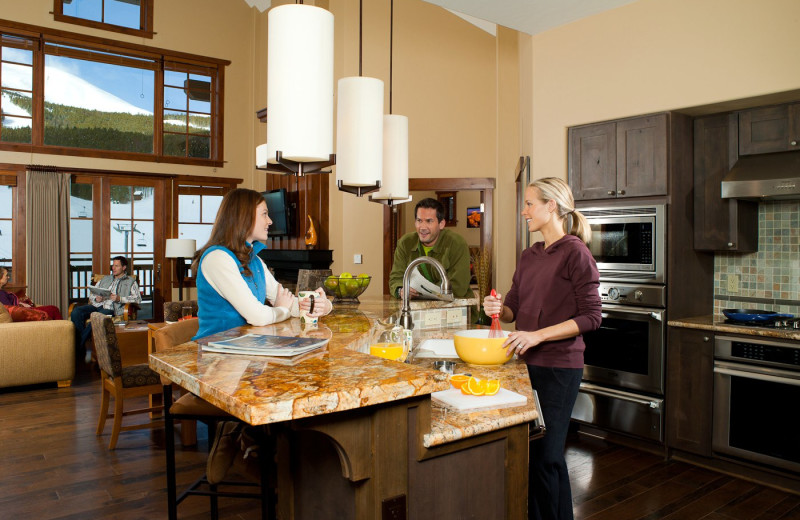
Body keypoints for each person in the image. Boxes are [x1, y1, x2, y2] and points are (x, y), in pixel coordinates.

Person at [483, 177, 601, 520]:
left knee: (548, 456)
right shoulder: (529, 255)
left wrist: (537, 335)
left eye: (530, 203)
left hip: (560, 368)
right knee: (532, 455)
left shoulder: (576, 253)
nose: (524, 211)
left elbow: (592, 317)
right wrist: (498, 309)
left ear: (552, 206)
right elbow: (513, 309)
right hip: (524, 364)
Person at [192, 188, 332, 341]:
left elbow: (289, 303)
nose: (270, 221)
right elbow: (257, 316)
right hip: (217, 355)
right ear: (244, 216)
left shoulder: (256, 261)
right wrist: (282, 309)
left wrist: (322, 306)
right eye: (264, 214)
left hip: (247, 348)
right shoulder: (217, 258)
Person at [388, 198, 472, 300]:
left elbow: (459, 286)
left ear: (441, 224)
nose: (423, 227)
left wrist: (422, 293)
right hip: (417, 309)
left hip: (454, 309)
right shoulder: (405, 243)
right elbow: (396, 278)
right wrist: (401, 290)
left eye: (429, 221)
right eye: (419, 221)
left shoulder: (457, 243)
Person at [70, 256, 142, 360]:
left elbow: (138, 299)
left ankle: (77, 349)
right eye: (113, 265)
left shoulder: (130, 281)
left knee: (95, 318)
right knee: (76, 312)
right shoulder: (105, 279)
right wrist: (96, 298)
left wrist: (119, 298)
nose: (113, 268)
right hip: (97, 305)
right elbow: (92, 295)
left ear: (124, 267)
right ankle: (80, 347)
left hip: (111, 308)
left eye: (116, 266)